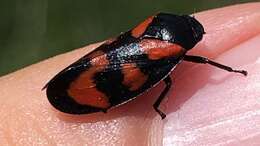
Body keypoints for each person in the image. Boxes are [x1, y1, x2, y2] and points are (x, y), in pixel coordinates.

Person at [0, 2, 259, 145]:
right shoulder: (173, 50)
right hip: (85, 87)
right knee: (166, 84)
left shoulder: (160, 24)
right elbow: (165, 83)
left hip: (114, 57)